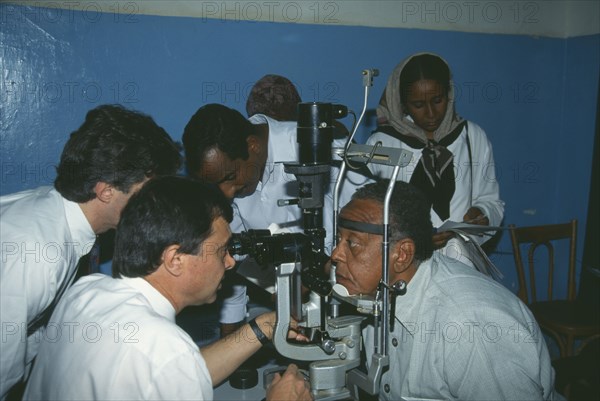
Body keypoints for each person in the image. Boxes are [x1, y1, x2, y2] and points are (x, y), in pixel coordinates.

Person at [23, 176, 312, 401]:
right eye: (221, 251)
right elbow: (171, 362)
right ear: (175, 259)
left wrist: (261, 327)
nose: (230, 262)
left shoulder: (86, 291)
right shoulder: (165, 348)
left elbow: (180, 372)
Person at [0, 104, 182, 400]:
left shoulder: (56, 215)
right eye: (147, 191)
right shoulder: (37, 254)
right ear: (106, 191)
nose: (155, 203)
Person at [331, 180, 562, 400]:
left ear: (401, 255)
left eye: (352, 244)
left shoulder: (468, 329)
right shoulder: (378, 292)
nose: (336, 255)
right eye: (338, 239)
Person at [183, 101, 371, 336]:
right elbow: (232, 260)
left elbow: (375, 223)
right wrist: (231, 339)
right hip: (291, 307)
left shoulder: (315, 145)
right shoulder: (229, 174)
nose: (227, 193)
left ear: (253, 146)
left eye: (231, 177)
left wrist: (316, 272)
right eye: (215, 185)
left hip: (356, 303)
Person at [366, 53, 504, 267]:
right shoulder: (381, 144)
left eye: (438, 101)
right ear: (402, 103)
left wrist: (483, 214)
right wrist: (414, 236)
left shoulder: (472, 136)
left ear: (449, 94)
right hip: (404, 263)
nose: (431, 113)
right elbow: (370, 213)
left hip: (461, 262)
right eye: (418, 104)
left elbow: (490, 199)